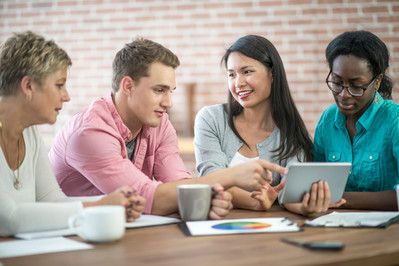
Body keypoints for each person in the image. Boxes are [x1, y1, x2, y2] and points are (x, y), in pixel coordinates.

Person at [49, 37, 288, 218]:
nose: (168, 102)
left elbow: (179, 182)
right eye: (159, 90)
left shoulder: (158, 122)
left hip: (125, 231)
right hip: (70, 238)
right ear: (128, 86)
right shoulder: (89, 133)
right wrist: (229, 176)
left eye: (170, 91)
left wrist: (209, 198)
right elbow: (147, 198)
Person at [0, 31, 145, 236]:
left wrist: (114, 202)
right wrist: (101, 206)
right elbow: (9, 219)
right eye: (59, 85)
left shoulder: (29, 132)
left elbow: (53, 200)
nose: (67, 96)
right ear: (28, 86)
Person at [194, 35, 333, 215]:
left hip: (268, 232)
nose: (238, 83)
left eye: (247, 71)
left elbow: (289, 192)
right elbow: (211, 179)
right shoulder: (211, 118)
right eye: (231, 74)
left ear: (272, 74)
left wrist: (305, 205)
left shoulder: (291, 133)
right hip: (218, 228)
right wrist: (256, 202)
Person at [313, 30, 399, 210]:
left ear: (377, 82)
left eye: (356, 86)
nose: (344, 95)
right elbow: (316, 181)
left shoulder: (394, 120)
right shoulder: (327, 120)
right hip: (334, 224)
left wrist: (342, 199)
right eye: (336, 82)